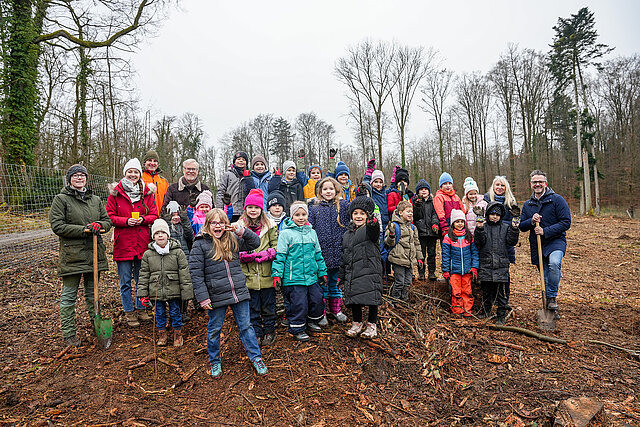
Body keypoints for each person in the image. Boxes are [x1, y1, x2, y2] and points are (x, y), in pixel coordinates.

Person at [189, 208, 267, 378]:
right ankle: (215, 361)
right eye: (214, 223)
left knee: (246, 326)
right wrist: (202, 297)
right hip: (216, 294)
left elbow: (255, 243)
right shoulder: (200, 243)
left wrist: (242, 231)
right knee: (215, 329)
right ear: (207, 225)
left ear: (226, 224)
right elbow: (195, 274)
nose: (218, 226)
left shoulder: (232, 240)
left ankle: (256, 358)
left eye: (221, 222)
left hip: (238, 291)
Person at [49, 164, 113, 347]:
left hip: (94, 253)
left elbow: (107, 221)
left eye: (82, 175)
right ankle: (69, 334)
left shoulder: (95, 200)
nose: (79, 178)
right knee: (69, 295)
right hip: (72, 255)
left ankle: (97, 327)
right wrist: (85, 229)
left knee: (93, 294)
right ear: (69, 179)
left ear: (86, 178)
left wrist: (99, 225)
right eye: (75, 176)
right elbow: (58, 226)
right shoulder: (61, 199)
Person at [106, 158, 158, 327]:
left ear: (139, 174)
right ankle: (129, 312)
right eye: (130, 172)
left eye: (136, 172)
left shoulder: (147, 193)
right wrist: (125, 221)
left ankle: (141, 309)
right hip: (123, 242)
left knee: (141, 279)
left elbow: (155, 215)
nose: (133, 175)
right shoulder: (116, 193)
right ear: (125, 173)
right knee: (125, 281)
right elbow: (110, 216)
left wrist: (143, 219)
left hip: (142, 241)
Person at [271, 201, 328, 342]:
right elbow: (280, 257)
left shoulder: (312, 232)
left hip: (311, 276)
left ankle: (311, 321)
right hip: (294, 278)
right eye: (297, 215)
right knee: (299, 303)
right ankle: (298, 328)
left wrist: (322, 272)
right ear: (292, 216)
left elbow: (318, 255)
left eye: (304, 214)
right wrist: (277, 274)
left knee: (317, 299)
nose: (301, 217)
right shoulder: (285, 234)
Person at [519, 170, 571, 313]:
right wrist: (531, 221)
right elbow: (521, 226)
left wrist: (545, 231)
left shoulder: (556, 200)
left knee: (554, 264)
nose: (538, 184)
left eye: (540, 182)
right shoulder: (528, 205)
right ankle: (550, 310)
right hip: (537, 244)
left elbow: (566, 222)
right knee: (545, 276)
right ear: (531, 184)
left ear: (546, 183)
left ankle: (552, 297)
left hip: (555, 241)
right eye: (535, 182)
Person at [137, 219, 193, 347]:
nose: (160, 235)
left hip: (174, 289)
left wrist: (187, 292)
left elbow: (184, 273)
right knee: (159, 313)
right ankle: (162, 333)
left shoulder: (178, 252)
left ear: (168, 235)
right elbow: (144, 275)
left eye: (163, 232)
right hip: (156, 289)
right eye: (157, 233)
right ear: (153, 237)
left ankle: (177, 334)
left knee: (175, 311)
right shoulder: (148, 254)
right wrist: (142, 293)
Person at [238, 189, 279, 346]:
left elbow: (277, 246)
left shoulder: (269, 227)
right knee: (253, 307)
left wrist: (268, 254)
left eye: (256, 208)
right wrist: (244, 256)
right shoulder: (239, 228)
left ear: (261, 209)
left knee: (269, 306)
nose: (253, 210)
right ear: (246, 209)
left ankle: (269, 330)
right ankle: (256, 332)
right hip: (249, 278)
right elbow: (234, 249)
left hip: (266, 274)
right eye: (250, 208)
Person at [308, 177, 350, 324]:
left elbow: (355, 213)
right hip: (322, 254)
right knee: (323, 285)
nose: (328, 191)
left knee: (336, 283)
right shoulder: (315, 208)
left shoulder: (343, 206)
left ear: (336, 190)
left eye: (331, 189)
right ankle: (322, 313)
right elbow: (310, 229)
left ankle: (336, 310)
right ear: (320, 191)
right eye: (325, 189)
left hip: (339, 253)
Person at [340, 196, 383, 339]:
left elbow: (374, 229)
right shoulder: (347, 234)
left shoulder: (370, 230)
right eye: (356, 213)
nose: (359, 216)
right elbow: (345, 254)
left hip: (369, 269)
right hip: (353, 271)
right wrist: (342, 273)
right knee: (354, 298)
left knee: (372, 298)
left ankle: (372, 325)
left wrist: (372, 220)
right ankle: (357, 323)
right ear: (351, 215)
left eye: (362, 213)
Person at [473, 202, 519, 325]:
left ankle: (501, 316)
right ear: (487, 215)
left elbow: (512, 241)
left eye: (497, 215)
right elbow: (479, 241)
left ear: (501, 216)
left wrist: (515, 228)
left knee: (501, 294)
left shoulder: (505, 228)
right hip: (486, 264)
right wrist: (479, 227)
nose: (494, 216)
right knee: (486, 292)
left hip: (501, 266)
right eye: (492, 214)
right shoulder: (484, 227)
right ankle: (486, 311)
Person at [441, 210, 479, 318]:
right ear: (453, 223)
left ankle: (468, 311)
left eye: (462, 221)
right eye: (457, 222)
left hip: (467, 270)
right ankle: (458, 311)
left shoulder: (469, 237)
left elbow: (475, 253)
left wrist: (474, 267)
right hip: (454, 270)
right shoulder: (448, 238)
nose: (460, 224)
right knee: (456, 292)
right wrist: (446, 270)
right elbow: (445, 256)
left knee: (467, 291)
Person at [384, 200, 423, 301]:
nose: (410, 213)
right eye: (408, 211)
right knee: (399, 282)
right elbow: (389, 242)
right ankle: (395, 300)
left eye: (411, 212)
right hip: (398, 259)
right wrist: (392, 235)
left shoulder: (412, 227)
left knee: (407, 283)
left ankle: (404, 301)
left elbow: (417, 243)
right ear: (400, 213)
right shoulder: (393, 226)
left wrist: (419, 258)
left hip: (409, 261)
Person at [483, 175, 518, 263]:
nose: (499, 187)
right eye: (497, 185)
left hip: (505, 239)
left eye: (502, 185)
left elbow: (513, 223)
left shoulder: (511, 202)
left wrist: (499, 224)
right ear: (493, 186)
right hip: (488, 239)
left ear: (506, 188)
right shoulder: (485, 200)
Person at [413, 179, 440, 280]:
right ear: (417, 192)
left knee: (432, 253)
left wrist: (435, 224)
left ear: (429, 191)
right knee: (421, 254)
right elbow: (416, 216)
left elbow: (435, 214)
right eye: (421, 189)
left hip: (432, 233)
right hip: (421, 233)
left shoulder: (433, 202)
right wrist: (417, 206)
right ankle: (421, 273)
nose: (423, 191)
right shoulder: (415, 202)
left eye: (425, 189)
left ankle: (432, 272)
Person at [216, 151, 249, 222]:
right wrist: (219, 210)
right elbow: (221, 192)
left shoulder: (249, 176)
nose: (241, 161)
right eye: (238, 159)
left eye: (243, 160)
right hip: (229, 210)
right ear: (234, 162)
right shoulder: (227, 175)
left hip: (245, 213)